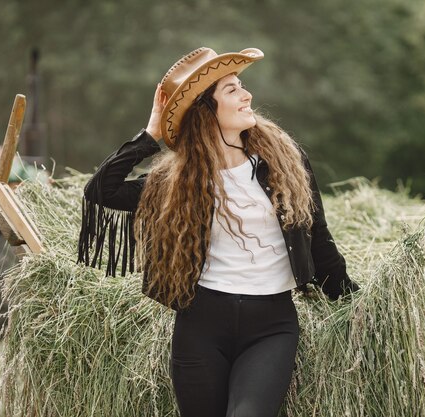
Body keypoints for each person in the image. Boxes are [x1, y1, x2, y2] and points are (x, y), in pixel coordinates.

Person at [77, 47, 359, 417]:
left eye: (242, 86)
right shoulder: (178, 180)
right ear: (205, 111)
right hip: (201, 325)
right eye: (231, 90)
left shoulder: (284, 162)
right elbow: (102, 190)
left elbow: (318, 237)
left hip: (271, 325)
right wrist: (152, 132)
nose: (247, 95)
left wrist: (354, 306)